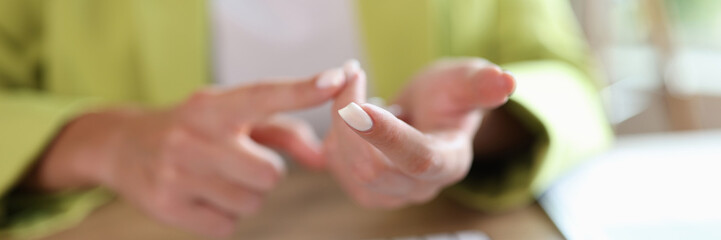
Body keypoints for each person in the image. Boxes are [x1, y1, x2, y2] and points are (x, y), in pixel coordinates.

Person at [0, 0, 613, 238]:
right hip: (125, 220)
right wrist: (102, 141)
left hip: (441, 220)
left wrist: (475, 123)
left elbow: (565, 80)